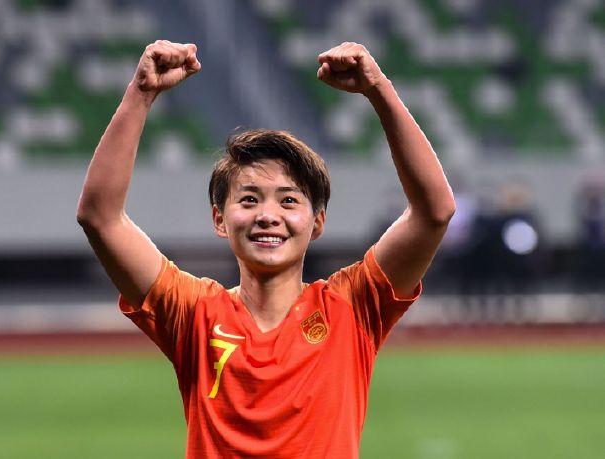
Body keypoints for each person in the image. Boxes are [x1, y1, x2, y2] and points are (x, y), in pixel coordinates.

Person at [77, 39, 455, 458]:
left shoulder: (352, 307)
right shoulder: (194, 314)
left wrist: (379, 90)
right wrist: (141, 92)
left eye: (288, 200)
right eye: (249, 199)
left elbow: (433, 212)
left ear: (317, 222)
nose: (268, 215)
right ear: (220, 219)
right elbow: (100, 218)